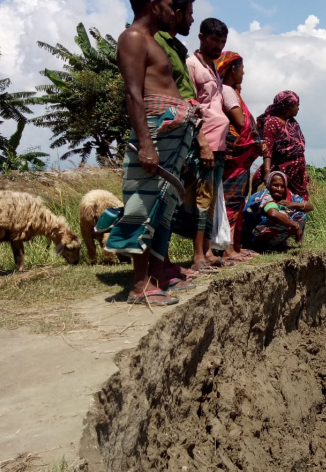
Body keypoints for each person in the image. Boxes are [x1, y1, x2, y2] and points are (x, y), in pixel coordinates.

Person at [107, 0, 200, 306]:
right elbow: (134, 93)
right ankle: (139, 286)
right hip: (154, 136)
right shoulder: (133, 38)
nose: (173, 9)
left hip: (170, 138)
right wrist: (146, 144)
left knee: (163, 209)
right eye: (169, 2)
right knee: (143, 207)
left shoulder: (154, 41)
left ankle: (156, 275)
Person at [152, 0, 201, 283]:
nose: (192, 20)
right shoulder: (157, 43)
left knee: (171, 200)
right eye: (190, 13)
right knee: (162, 197)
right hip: (167, 130)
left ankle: (164, 263)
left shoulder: (175, 48)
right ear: (177, 14)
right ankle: (159, 266)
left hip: (182, 130)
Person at [183, 17, 232, 273]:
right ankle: (197, 255)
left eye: (222, 42)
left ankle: (208, 251)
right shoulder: (191, 65)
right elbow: (189, 104)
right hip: (204, 143)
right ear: (201, 37)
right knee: (201, 199)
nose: (218, 46)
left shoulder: (212, 68)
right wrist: (201, 141)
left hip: (219, 144)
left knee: (211, 199)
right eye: (214, 40)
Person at [216, 51, 262, 261]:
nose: (244, 73)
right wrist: (257, 140)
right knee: (231, 202)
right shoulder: (227, 91)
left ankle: (235, 247)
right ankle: (228, 250)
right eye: (242, 68)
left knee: (237, 200)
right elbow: (242, 124)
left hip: (238, 160)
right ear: (233, 69)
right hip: (233, 159)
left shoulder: (229, 91)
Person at [253, 91, 310, 200]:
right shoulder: (272, 122)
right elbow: (268, 150)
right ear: (287, 106)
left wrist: (305, 171)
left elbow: (298, 149)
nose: (298, 108)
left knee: (299, 202)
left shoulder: (292, 123)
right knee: (283, 200)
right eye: (296, 105)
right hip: (282, 170)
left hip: (298, 172)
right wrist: (267, 173)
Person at [241, 171, 313, 252]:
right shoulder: (265, 195)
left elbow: (310, 206)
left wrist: (293, 204)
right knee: (282, 216)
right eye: (275, 185)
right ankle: (262, 246)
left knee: (302, 214)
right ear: (269, 185)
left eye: (282, 186)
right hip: (250, 234)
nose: (279, 189)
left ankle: (282, 243)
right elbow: (273, 213)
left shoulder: (288, 195)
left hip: (264, 230)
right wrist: (295, 225)